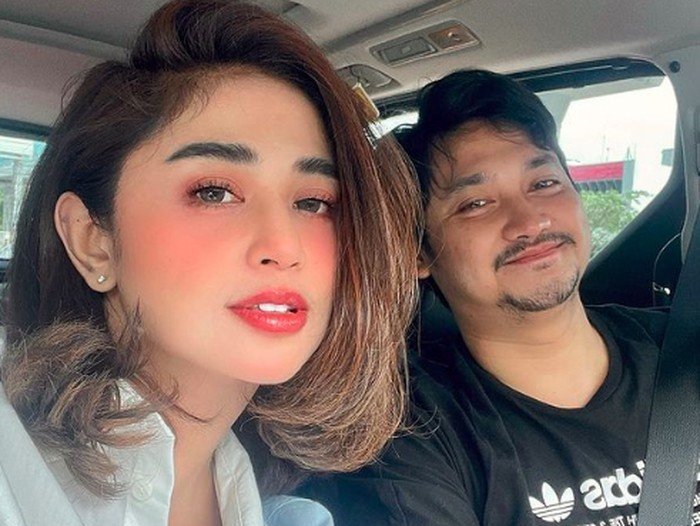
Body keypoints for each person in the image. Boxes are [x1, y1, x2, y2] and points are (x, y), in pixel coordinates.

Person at [0, 1, 420, 525]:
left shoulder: (280, 506)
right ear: (93, 242)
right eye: (214, 192)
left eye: (313, 202)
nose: (283, 246)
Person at [298, 69, 697, 525]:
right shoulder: (408, 439)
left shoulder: (684, 351)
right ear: (418, 252)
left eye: (544, 183)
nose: (530, 222)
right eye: (476, 204)